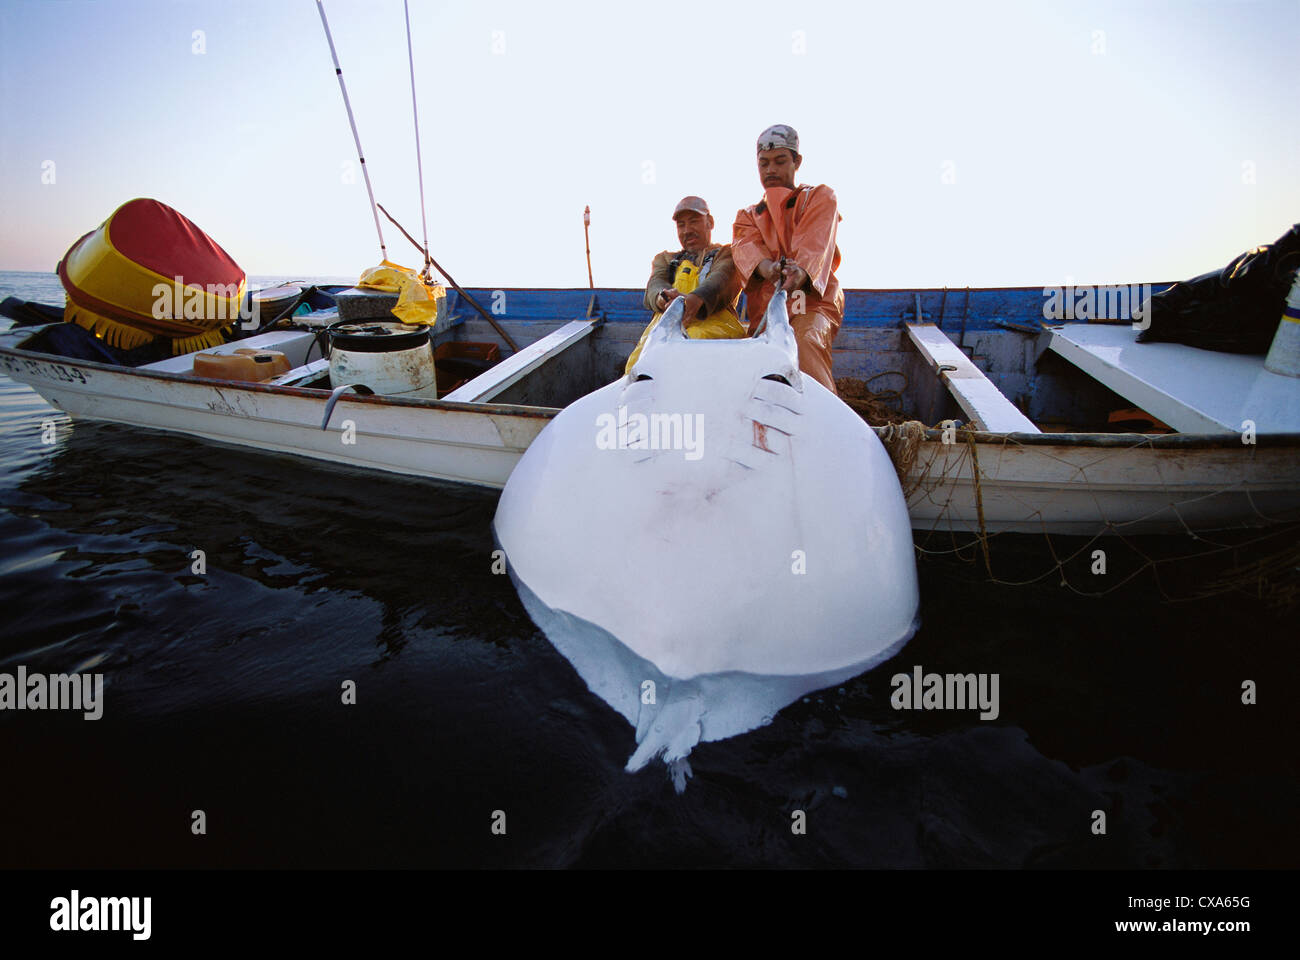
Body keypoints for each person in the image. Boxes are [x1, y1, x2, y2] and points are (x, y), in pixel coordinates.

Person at [731, 124, 843, 394]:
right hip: (766, 313)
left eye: (780, 161)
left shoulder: (820, 197)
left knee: (803, 343)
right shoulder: (747, 216)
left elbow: (814, 243)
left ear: (797, 162)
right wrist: (769, 269)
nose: (770, 170)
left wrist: (800, 272)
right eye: (764, 163)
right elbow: (746, 248)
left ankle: (824, 416)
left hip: (812, 304)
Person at [624, 196, 746, 373]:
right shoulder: (665, 259)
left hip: (716, 326)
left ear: (709, 222)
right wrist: (663, 298)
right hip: (665, 327)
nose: (687, 230)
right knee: (637, 362)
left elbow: (721, 278)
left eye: (694, 221)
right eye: (681, 225)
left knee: (694, 342)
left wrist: (695, 300)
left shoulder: (727, 254)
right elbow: (655, 284)